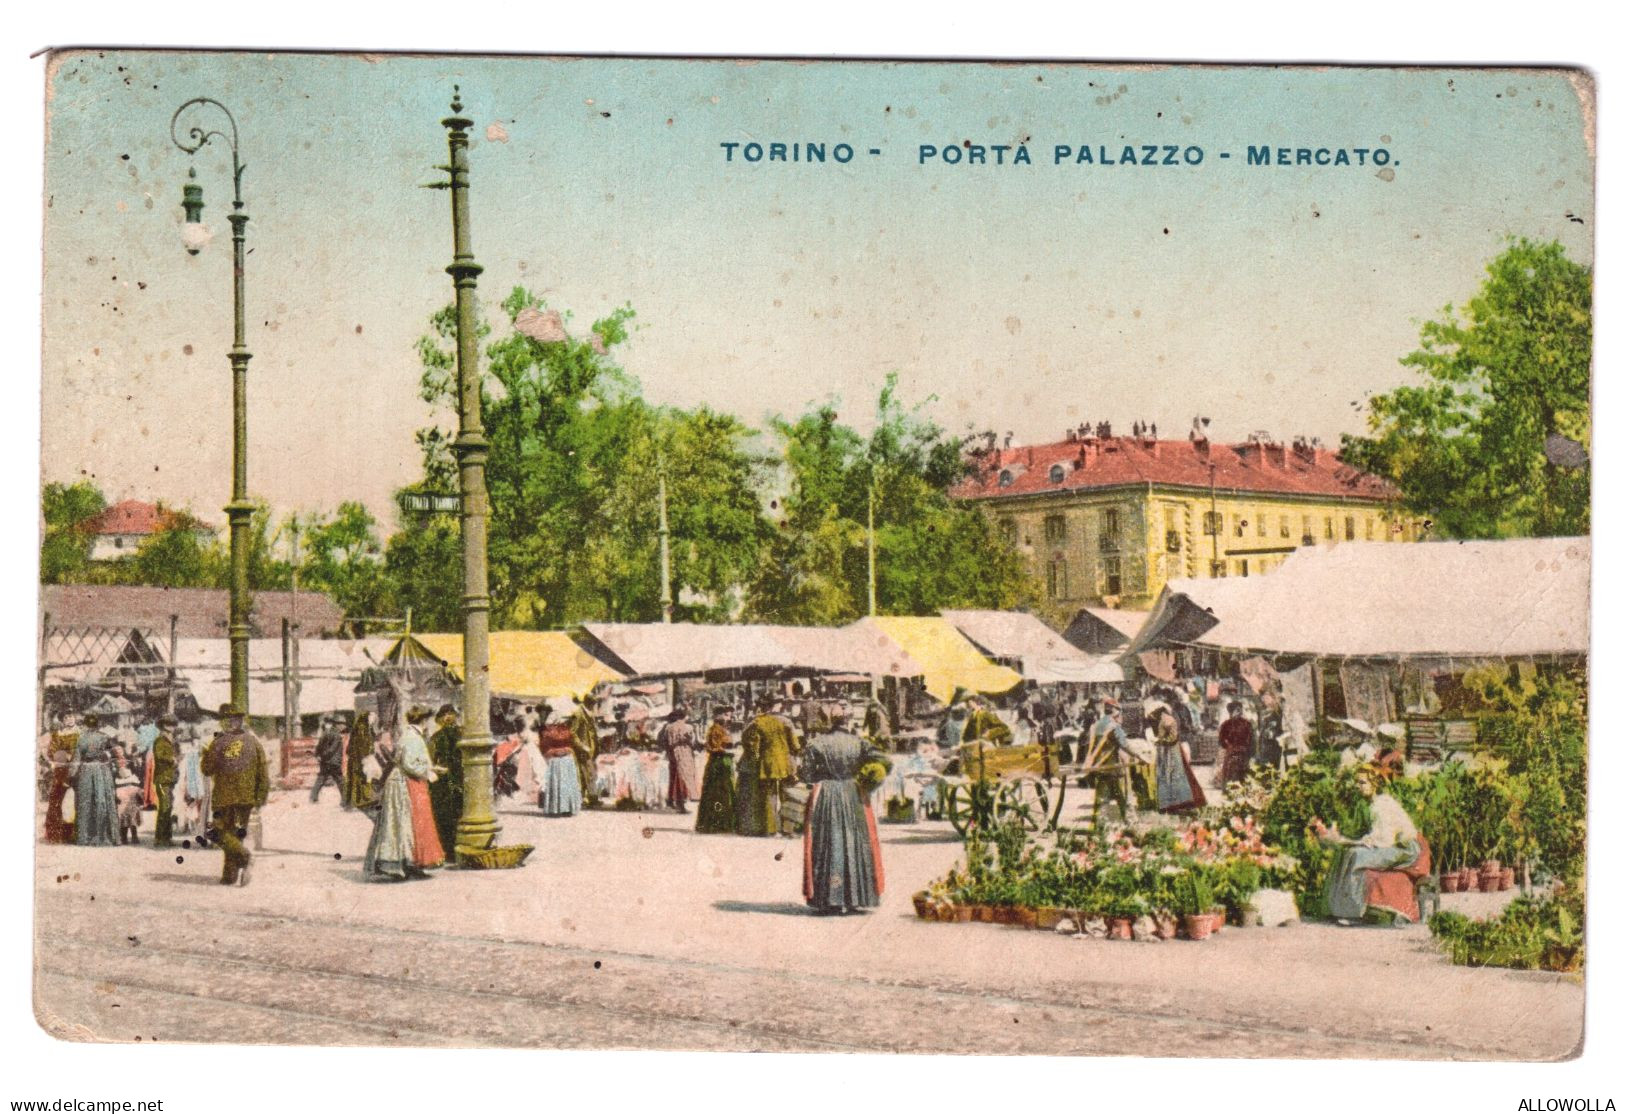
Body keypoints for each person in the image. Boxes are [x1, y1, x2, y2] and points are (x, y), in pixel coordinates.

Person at [800, 705, 890, 914]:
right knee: (855, 842)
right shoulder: (859, 743)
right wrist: (868, 781)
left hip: (826, 795)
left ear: (828, 721)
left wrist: (818, 777)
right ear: (848, 721)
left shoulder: (816, 744)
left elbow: (805, 774)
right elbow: (883, 761)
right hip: (853, 793)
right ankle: (854, 897)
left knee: (827, 842)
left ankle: (828, 898)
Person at [1316, 761, 1423, 924]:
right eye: (1357, 782)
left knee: (1357, 855)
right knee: (1346, 852)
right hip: (1391, 845)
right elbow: (1369, 834)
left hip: (1405, 849)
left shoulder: (1382, 804)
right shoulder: (1371, 804)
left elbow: (1385, 840)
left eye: (1362, 782)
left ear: (1373, 783)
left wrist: (1354, 843)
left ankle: (1354, 914)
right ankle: (1335, 907)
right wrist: (1346, 840)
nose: (1358, 786)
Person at [365, 705, 440, 880]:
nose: (429, 723)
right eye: (428, 719)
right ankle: (396, 866)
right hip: (402, 782)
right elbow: (410, 764)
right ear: (423, 720)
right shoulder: (412, 737)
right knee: (400, 823)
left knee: (405, 824)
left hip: (403, 780)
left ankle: (408, 864)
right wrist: (429, 772)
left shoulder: (410, 735)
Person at [200, 705, 269, 886]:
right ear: (240, 722)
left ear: (226, 723)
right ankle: (229, 875)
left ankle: (245, 857)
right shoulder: (254, 742)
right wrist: (260, 796)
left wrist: (205, 753)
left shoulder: (218, 743)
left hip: (224, 797)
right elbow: (263, 772)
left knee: (217, 833)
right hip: (246, 798)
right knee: (236, 835)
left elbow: (206, 769)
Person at [742, 696, 799, 837]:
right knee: (788, 795)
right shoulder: (786, 721)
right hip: (786, 762)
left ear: (762, 707)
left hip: (767, 763)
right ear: (776, 706)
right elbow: (795, 745)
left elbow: (749, 742)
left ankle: (770, 829)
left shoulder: (757, 722)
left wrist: (756, 758)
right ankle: (788, 829)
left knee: (769, 796)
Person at [1082, 699, 1136, 827]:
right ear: (1115, 711)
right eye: (1119, 712)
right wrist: (1139, 755)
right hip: (1116, 769)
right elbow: (1124, 745)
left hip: (1101, 769)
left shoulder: (1096, 726)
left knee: (1102, 800)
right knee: (1124, 799)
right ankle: (1131, 826)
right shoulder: (1114, 726)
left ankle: (1100, 827)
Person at [71, 713, 120, 847]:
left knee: (86, 801)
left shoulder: (81, 738)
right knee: (101, 800)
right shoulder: (105, 737)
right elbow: (114, 753)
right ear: (98, 724)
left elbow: (76, 758)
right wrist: (107, 757)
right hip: (101, 770)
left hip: (86, 770)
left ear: (86, 724)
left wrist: (71, 775)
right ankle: (104, 836)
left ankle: (85, 837)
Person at [1149, 699, 1206, 813]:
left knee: (1174, 775)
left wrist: (1161, 741)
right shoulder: (1164, 719)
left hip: (1171, 750)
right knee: (1169, 775)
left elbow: (1173, 738)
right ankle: (1171, 803)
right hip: (1167, 749)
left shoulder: (1168, 721)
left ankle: (1177, 802)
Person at [426, 705, 463, 850]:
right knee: (443, 816)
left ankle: (451, 848)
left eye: (451, 714)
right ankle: (446, 849)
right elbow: (432, 759)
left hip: (456, 779)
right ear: (440, 719)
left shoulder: (460, 734)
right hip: (443, 782)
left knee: (454, 815)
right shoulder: (436, 737)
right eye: (445, 715)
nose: (448, 718)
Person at [696, 709, 737, 834]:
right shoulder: (715, 729)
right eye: (726, 715)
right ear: (718, 716)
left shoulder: (722, 729)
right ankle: (717, 824)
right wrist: (727, 751)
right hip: (718, 763)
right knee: (718, 793)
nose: (729, 718)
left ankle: (721, 823)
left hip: (722, 762)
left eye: (729, 715)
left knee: (723, 792)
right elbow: (713, 747)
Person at [540, 706, 583, 818]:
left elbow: (545, 746)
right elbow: (545, 746)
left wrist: (559, 751)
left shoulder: (559, 731)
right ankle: (564, 807)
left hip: (561, 759)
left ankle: (560, 807)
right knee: (564, 783)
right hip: (562, 759)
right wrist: (560, 751)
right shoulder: (563, 731)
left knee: (562, 782)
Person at [43, 715, 78, 844]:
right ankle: (58, 834)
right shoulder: (58, 735)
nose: (70, 719)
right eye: (67, 717)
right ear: (63, 720)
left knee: (75, 800)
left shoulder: (80, 733)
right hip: (61, 769)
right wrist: (62, 756)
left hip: (77, 769)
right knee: (57, 800)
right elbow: (51, 752)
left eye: (71, 716)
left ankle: (74, 833)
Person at [659, 705, 699, 814]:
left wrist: (669, 749)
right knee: (683, 777)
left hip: (672, 752)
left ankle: (671, 800)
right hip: (685, 753)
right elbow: (693, 742)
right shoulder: (689, 727)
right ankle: (681, 803)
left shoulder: (668, 727)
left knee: (673, 776)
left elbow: (663, 741)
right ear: (684, 717)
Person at [151, 715, 180, 848]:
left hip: (169, 778)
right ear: (165, 726)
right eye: (171, 725)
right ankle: (160, 838)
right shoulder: (160, 740)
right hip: (163, 778)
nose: (173, 728)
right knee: (165, 808)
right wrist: (172, 759)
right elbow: (159, 755)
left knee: (167, 808)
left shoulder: (171, 740)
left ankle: (166, 837)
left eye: (174, 725)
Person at [568, 694, 599, 804]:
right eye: (593, 703)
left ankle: (590, 797)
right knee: (585, 773)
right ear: (588, 703)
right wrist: (581, 746)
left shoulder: (589, 713)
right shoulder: (578, 714)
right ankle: (589, 798)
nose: (593, 706)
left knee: (589, 772)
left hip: (591, 747)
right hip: (583, 748)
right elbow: (572, 732)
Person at [344, 711, 377, 811]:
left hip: (360, 758)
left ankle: (359, 801)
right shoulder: (362, 728)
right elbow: (362, 745)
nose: (373, 720)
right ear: (367, 718)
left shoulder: (366, 727)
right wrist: (365, 758)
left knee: (361, 780)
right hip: (359, 759)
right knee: (359, 780)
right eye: (372, 718)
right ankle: (357, 803)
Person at [310, 716, 346, 804]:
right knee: (340, 781)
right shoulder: (337, 735)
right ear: (337, 725)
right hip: (333, 762)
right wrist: (324, 756)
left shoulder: (326, 732)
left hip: (325, 762)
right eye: (342, 724)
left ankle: (313, 798)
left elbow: (319, 745)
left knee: (321, 779)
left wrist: (318, 755)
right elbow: (332, 750)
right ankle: (346, 800)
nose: (343, 727)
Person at [1218, 701, 1255, 786]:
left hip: (1243, 754)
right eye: (1236, 710)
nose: (1238, 712)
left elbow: (1252, 740)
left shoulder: (1247, 724)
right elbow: (1221, 740)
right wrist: (1229, 747)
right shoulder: (1226, 725)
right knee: (1230, 777)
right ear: (1231, 712)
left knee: (1243, 777)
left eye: (1239, 710)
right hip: (1231, 755)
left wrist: (1250, 753)